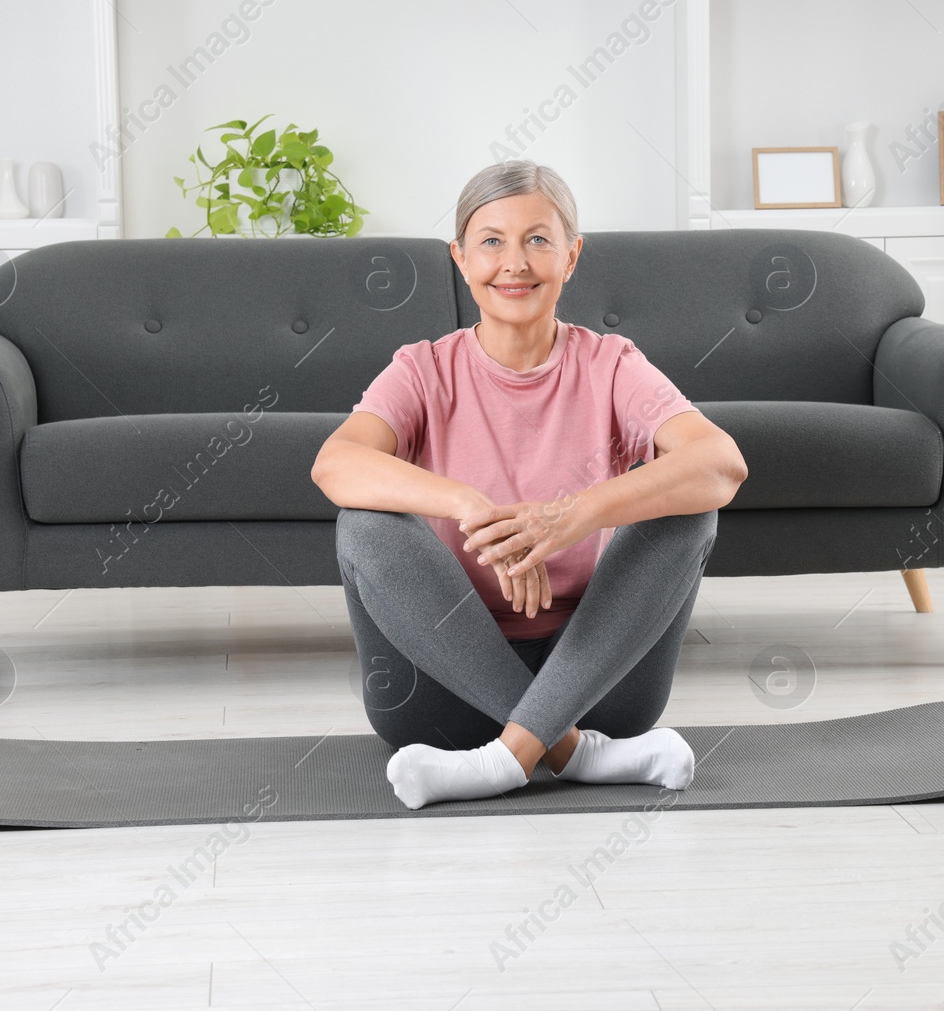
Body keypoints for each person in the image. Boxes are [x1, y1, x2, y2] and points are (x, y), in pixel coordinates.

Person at [310, 159, 747, 809]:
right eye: (491, 241)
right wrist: (468, 505)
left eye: (538, 240)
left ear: (571, 257)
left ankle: (507, 758)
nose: (514, 262)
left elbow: (720, 463)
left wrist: (573, 514)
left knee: (688, 509)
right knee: (363, 524)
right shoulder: (422, 369)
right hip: (440, 700)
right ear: (461, 258)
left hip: (599, 687)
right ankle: (571, 751)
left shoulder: (612, 364)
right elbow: (334, 464)